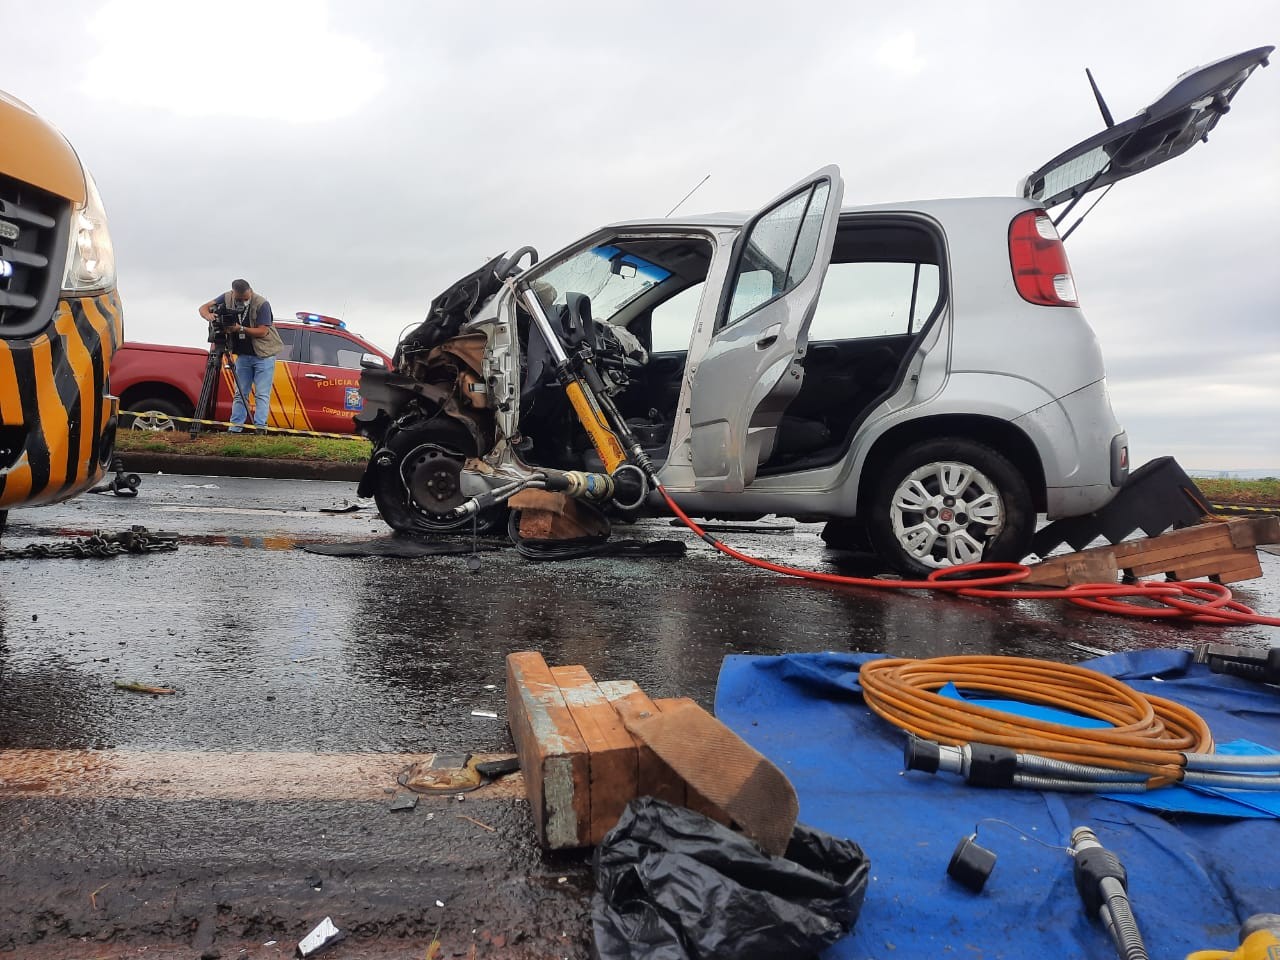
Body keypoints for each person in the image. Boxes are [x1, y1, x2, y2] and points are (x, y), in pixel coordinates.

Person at [197, 279, 284, 432]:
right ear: (233, 293)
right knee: (240, 393)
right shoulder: (227, 297)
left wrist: (240, 329)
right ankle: (235, 428)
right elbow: (203, 308)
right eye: (239, 299)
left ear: (250, 291)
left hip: (264, 355)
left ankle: (260, 428)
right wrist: (209, 316)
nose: (242, 301)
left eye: (245, 298)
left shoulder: (261, 303)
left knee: (261, 394)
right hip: (243, 355)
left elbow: (263, 331)